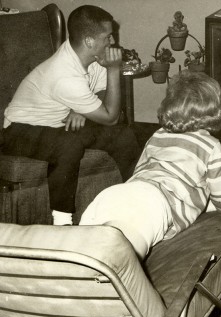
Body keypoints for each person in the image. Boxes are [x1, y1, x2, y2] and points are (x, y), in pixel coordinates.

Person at [80, 71, 221, 260]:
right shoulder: (211, 146)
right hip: (152, 204)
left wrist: (207, 204)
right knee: (121, 269)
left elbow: (146, 175)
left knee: (79, 264)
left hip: (114, 195)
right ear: (218, 109)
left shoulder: (158, 135)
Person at [1, 5, 141, 225]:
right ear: (89, 42)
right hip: (18, 130)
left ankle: (135, 198)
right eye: (107, 37)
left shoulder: (93, 57)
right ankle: (62, 221)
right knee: (69, 144)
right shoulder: (64, 74)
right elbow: (111, 115)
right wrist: (114, 70)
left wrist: (80, 109)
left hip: (58, 122)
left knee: (122, 135)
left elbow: (106, 98)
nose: (112, 42)